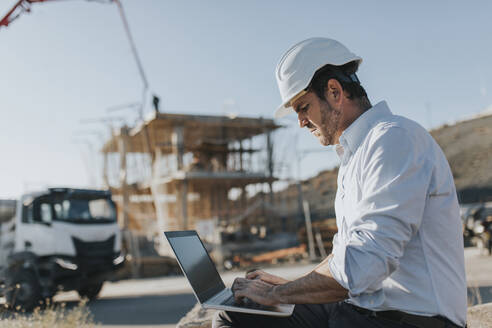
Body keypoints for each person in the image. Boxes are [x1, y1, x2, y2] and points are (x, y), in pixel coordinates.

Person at [213, 37, 467, 328]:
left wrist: (277, 293)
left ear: (334, 91)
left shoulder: (394, 139)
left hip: (407, 321)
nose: (300, 121)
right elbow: (345, 254)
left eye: (302, 107)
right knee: (236, 315)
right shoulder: (356, 155)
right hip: (358, 311)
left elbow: (363, 264)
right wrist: (292, 286)